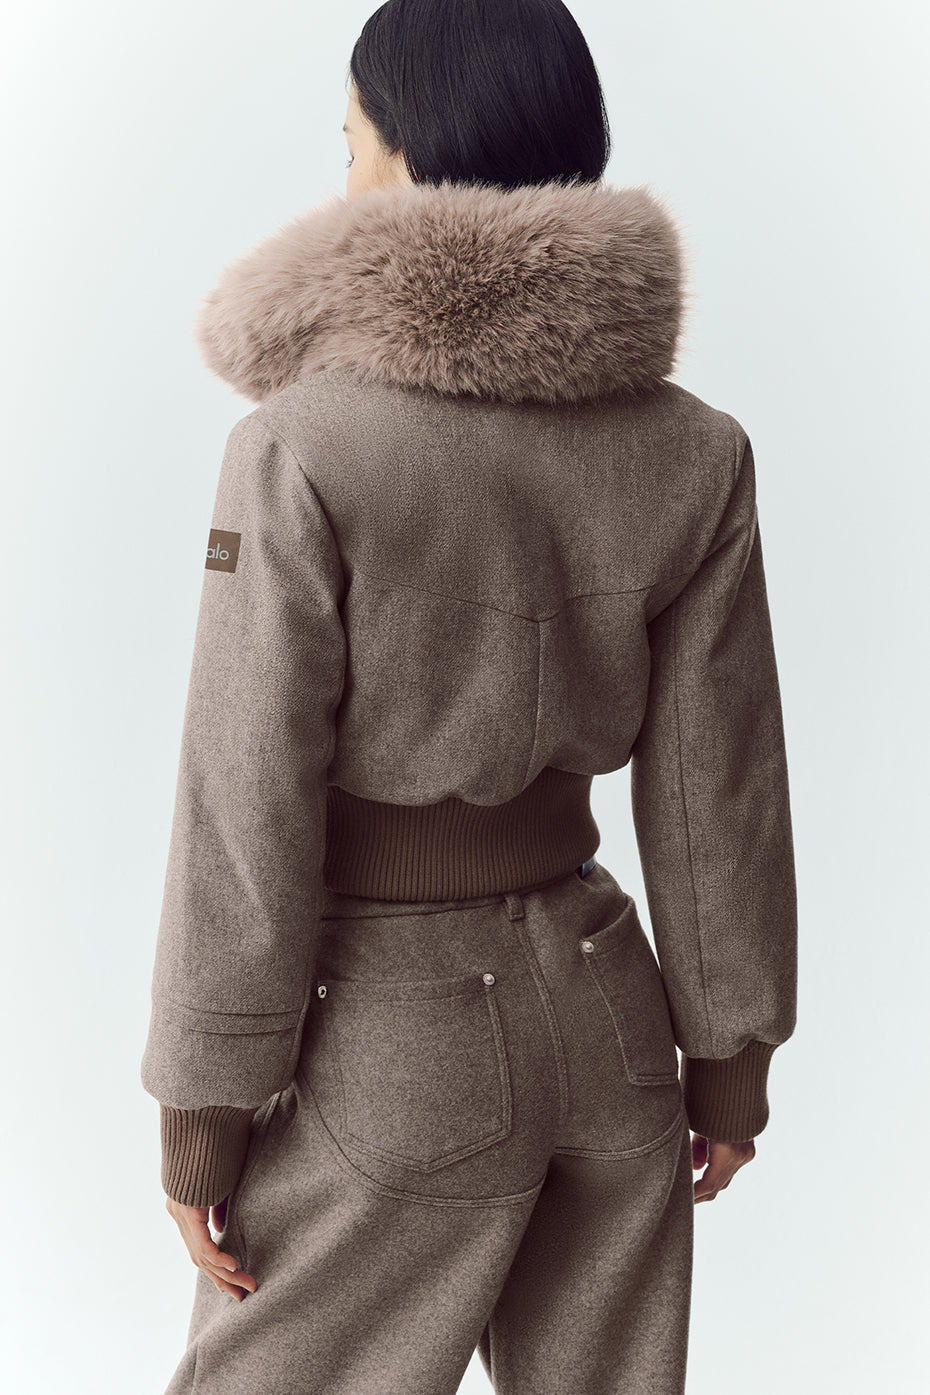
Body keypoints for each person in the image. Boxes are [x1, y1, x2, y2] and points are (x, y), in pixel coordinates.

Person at [140, 1, 798, 1391]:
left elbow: (243, 795)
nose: (343, 181)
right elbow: (717, 790)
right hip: (609, 1021)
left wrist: (203, 1104)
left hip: (390, 1050)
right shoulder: (693, 451)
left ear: (409, 152)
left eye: (351, 145)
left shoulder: (300, 446)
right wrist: (730, 1057)